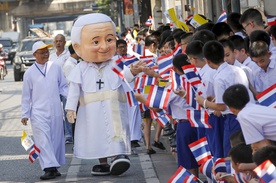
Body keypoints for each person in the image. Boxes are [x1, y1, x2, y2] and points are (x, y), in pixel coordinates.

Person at [65, 13, 145, 176]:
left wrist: (133, 71)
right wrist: (70, 108)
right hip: (91, 111)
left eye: (109, 40)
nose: (104, 46)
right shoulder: (81, 68)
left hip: (113, 106)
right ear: (78, 46)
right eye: (95, 42)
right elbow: (74, 89)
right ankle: (103, 163)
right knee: (97, 135)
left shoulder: (114, 63)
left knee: (115, 131)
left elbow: (124, 76)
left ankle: (119, 156)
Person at [195, 40, 252, 158]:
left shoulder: (220, 77)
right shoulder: (237, 69)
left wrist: (204, 102)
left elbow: (221, 107)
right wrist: (215, 99)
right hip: (247, 114)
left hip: (232, 118)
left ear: (207, 61)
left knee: (232, 154)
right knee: (245, 152)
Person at [21, 41, 68, 180]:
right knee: (43, 140)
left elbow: (63, 87)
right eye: (42, 52)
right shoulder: (29, 73)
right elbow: (26, 96)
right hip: (38, 113)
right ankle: (48, 168)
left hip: (55, 111)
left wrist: (72, 100)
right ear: (35, 54)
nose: (46, 54)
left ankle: (54, 167)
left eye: (47, 51)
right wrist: (25, 114)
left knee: (56, 139)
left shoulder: (56, 67)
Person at [116, 39, 142, 149]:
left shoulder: (134, 59)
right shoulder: (115, 61)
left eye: (124, 46)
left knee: (134, 113)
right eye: (120, 47)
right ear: (116, 49)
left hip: (133, 90)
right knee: (123, 115)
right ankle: (125, 137)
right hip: (121, 91)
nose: (123, 49)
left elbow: (140, 73)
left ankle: (134, 138)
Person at [49, 34, 72, 143]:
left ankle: (69, 135)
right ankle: (59, 133)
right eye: (56, 41)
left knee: (67, 111)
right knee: (55, 112)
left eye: (60, 41)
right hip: (54, 88)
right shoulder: (51, 56)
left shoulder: (68, 55)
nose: (58, 43)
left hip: (65, 87)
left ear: (64, 42)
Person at [63, 44, 81, 141]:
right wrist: (76, 99)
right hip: (74, 97)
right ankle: (75, 143)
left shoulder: (76, 63)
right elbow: (71, 84)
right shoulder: (69, 65)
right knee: (74, 122)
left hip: (78, 96)